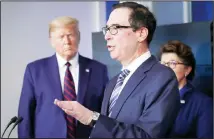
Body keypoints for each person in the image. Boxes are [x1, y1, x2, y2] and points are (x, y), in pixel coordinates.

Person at [54, 2, 180, 138]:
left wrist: (92, 118)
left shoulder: (162, 77)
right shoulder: (114, 82)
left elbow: (147, 136)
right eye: (106, 29)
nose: (107, 36)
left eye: (115, 28)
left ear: (141, 33)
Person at [18, 16, 109, 138]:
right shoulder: (35, 70)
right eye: (61, 36)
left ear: (79, 36)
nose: (67, 41)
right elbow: (25, 115)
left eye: (71, 35)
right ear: (51, 40)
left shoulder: (99, 69)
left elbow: (105, 113)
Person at [159, 40, 213, 138]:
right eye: (163, 64)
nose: (165, 68)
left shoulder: (203, 104)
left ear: (187, 70)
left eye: (172, 63)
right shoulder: (152, 96)